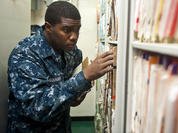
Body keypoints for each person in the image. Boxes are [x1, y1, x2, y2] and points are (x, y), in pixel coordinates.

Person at [7, 1, 114, 133]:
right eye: (66, 30)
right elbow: (37, 109)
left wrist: (75, 95)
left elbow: (63, 84)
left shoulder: (71, 52)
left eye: (77, 30)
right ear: (48, 27)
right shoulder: (25, 55)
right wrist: (84, 77)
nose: (74, 37)